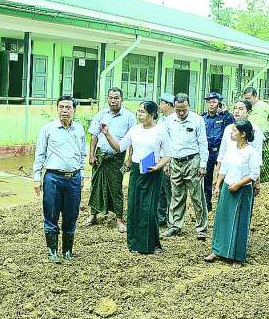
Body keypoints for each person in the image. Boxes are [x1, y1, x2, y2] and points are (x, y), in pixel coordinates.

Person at [101, 101, 171, 254]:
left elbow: (168, 154)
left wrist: (158, 166)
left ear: (152, 114)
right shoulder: (134, 130)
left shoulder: (160, 130)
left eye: (143, 112)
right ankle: (134, 244)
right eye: (138, 111)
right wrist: (107, 134)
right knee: (134, 206)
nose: (140, 114)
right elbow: (119, 147)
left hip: (152, 172)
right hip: (136, 170)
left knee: (148, 209)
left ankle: (150, 245)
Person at [33, 96, 87, 263]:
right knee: (51, 214)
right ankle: (52, 252)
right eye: (61, 107)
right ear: (57, 109)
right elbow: (40, 155)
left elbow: (82, 154)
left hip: (73, 179)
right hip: (53, 178)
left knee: (71, 216)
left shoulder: (79, 129)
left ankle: (67, 252)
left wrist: (82, 175)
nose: (64, 110)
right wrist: (36, 178)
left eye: (68, 107)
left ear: (74, 110)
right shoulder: (47, 129)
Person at [204, 120, 261, 264]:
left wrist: (238, 184)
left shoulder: (251, 152)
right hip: (227, 188)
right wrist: (218, 185)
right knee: (221, 220)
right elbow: (224, 169)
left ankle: (237, 256)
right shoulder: (231, 149)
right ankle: (217, 250)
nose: (231, 132)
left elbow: (254, 174)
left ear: (243, 134)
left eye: (235, 130)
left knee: (239, 222)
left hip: (242, 190)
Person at [86, 87, 136, 232]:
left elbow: (133, 141)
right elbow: (94, 136)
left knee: (116, 188)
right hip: (100, 157)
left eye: (116, 98)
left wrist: (129, 159)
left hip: (117, 158)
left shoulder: (129, 117)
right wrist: (91, 155)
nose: (113, 101)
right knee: (96, 185)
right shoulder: (101, 114)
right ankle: (93, 215)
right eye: (110, 98)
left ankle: (119, 219)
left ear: (122, 99)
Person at [163, 93, 209, 240]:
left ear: (188, 106)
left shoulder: (197, 120)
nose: (181, 113)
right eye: (178, 110)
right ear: (174, 107)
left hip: (192, 161)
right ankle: (175, 225)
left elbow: (203, 143)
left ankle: (201, 227)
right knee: (176, 195)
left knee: (197, 196)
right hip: (175, 161)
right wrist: (166, 162)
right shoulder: (169, 121)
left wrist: (203, 164)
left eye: (184, 109)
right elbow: (165, 143)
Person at [202, 92, 235, 211]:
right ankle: (207, 203)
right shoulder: (203, 118)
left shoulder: (224, 117)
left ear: (219, 103)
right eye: (209, 102)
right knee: (207, 178)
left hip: (221, 152)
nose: (211, 104)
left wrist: (226, 111)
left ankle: (222, 203)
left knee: (223, 176)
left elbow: (233, 126)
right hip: (208, 152)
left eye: (214, 102)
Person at [242, 87, 269, 183]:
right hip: (247, 137)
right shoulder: (244, 107)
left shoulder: (265, 106)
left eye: (249, 98)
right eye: (245, 98)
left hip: (263, 137)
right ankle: (248, 178)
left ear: (255, 96)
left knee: (265, 158)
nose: (247, 100)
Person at [156, 93, 176, 228]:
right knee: (161, 190)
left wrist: (167, 162)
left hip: (168, 160)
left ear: (168, 105)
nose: (159, 106)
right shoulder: (162, 119)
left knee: (170, 191)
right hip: (159, 159)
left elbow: (171, 143)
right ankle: (161, 217)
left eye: (162, 103)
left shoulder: (174, 120)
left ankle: (172, 219)